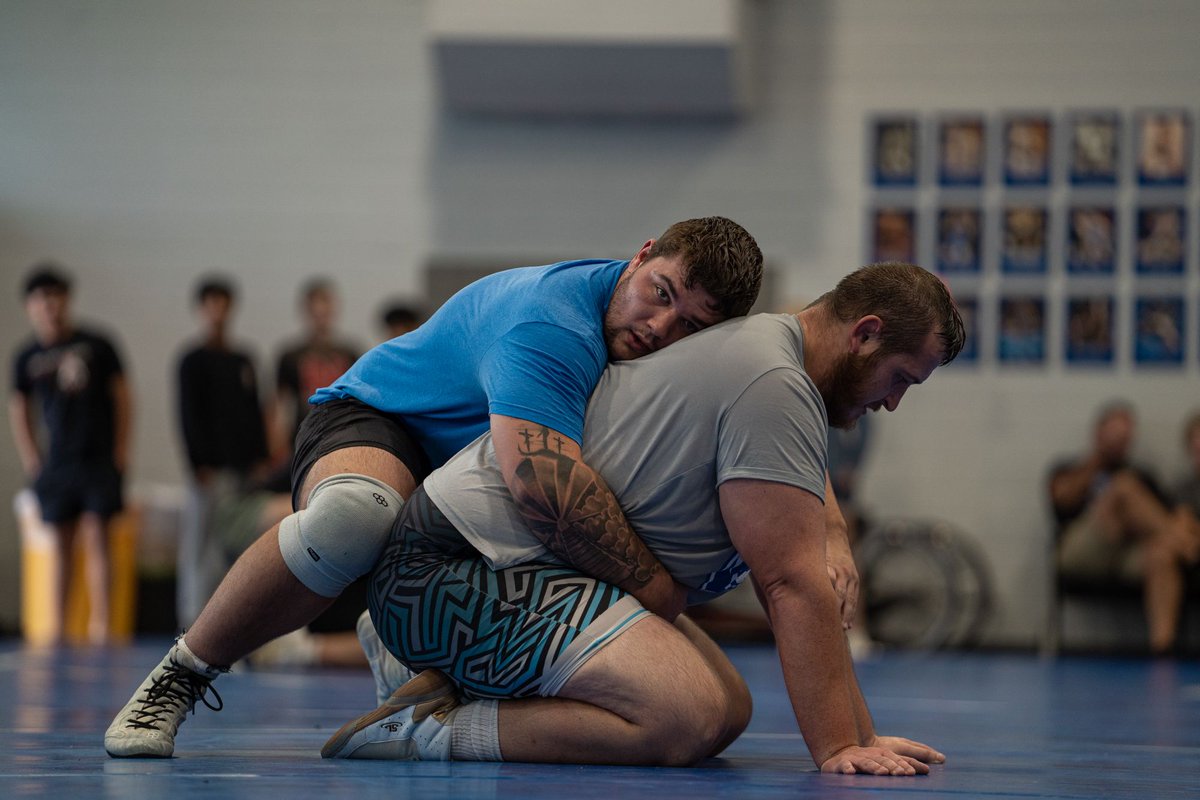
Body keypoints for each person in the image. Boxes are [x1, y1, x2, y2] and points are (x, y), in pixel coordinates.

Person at [105, 216, 764, 758]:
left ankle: (417, 661)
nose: (660, 328)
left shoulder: (662, 358)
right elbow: (545, 492)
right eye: (662, 292)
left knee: (720, 705)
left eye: (690, 326)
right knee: (353, 518)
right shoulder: (554, 325)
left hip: (473, 493)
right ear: (641, 253)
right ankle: (179, 676)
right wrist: (657, 591)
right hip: (388, 424)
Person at [322, 262, 961, 774]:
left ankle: (430, 669)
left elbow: (807, 574)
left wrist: (862, 734)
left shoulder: (773, 358)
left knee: (726, 710)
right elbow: (790, 584)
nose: (894, 403)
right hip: (447, 569)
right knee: (680, 713)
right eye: (901, 378)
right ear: (866, 333)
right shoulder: (774, 380)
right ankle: (427, 730)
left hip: (530, 567)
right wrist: (837, 749)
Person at [8, 264, 132, 645]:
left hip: (96, 459)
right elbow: (19, 408)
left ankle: (101, 628)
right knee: (60, 543)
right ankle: (58, 630)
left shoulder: (98, 344)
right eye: (41, 299)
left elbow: (123, 397)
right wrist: (32, 457)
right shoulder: (26, 355)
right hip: (57, 465)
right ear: (31, 306)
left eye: (56, 296)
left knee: (98, 537)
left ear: (67, 299)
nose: (50, 305)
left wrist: (120, 450)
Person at [1050, 402, 1200, 655]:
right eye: (1113, 433)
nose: (1119, 441)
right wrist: (1099, 463)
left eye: (1125, 435)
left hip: (1127, 552)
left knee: (1161, 553)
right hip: (1087, 548)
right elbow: (1061, 498)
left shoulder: (1142, 474)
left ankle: (1162, 650)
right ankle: (1190, 546)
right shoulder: (1070, 468)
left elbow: (1164, 516)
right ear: (1098, 433)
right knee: (1124, 487)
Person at [176, 276, 270, 626]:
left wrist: (260, 457)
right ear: (201, 309)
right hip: (209, 472)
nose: (217, 310)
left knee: (236, 545)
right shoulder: (191, 361)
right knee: (201, 546)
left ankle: (228, 620)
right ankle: (191, 620)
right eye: (210, 303)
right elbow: (187, 415)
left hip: (243, 470)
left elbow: (253, 412)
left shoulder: (243, 359)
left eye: (223, 302)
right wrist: (197, 463)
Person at [268, 279, 362, 464]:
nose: (321, 315)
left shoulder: (348, 353)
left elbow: (358, 400)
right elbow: (279, 403)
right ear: (307, 311)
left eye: (325, 307)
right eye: (316, 309)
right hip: (303, 435)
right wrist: (276, 444)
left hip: (341, 433)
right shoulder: (290, 355)